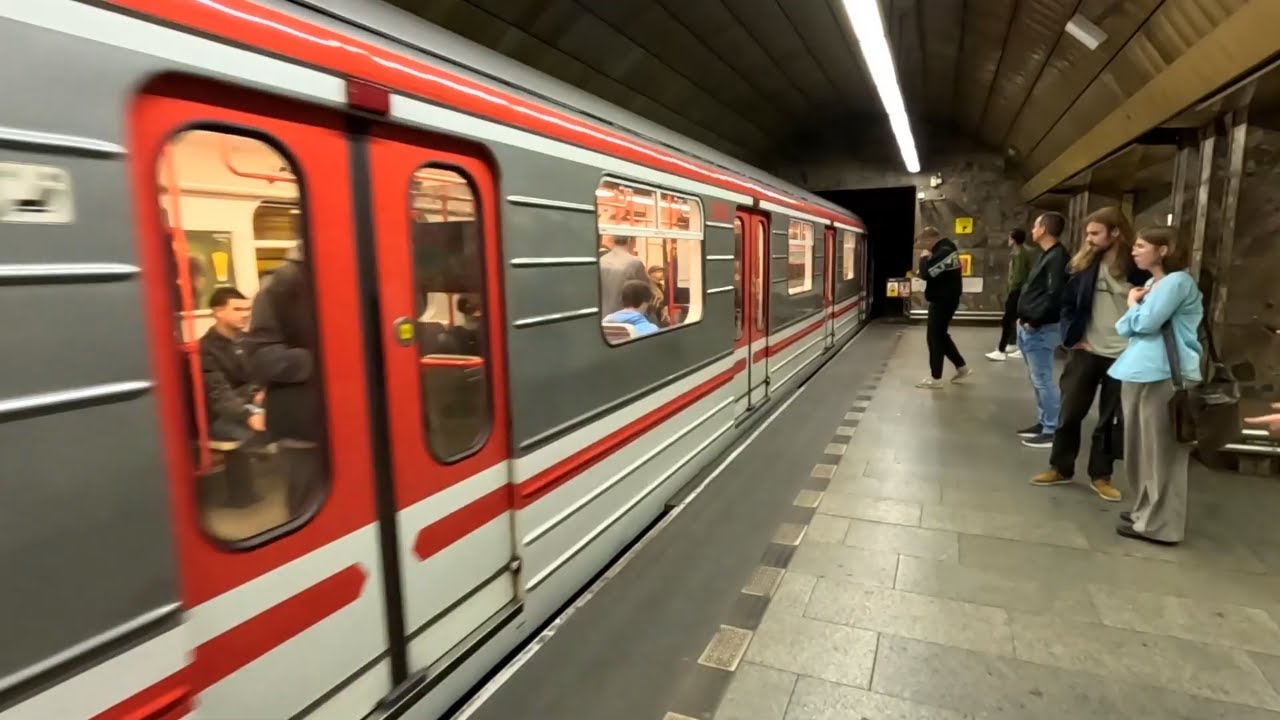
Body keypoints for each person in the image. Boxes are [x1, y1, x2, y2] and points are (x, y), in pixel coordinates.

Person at [1031, 208, 1149, 501]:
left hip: (1124, 354)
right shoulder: (1084, 265)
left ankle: (1101, 475)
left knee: (1109, 419)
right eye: (1088, 233)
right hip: (1087, 350)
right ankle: (1060, 467)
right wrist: (1072, 337)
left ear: (1116, 233)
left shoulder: (1139, 269)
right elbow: (1068, 303)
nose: (1089, 239)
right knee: (1070, 412)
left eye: (1095, 233)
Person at [1107, 226, 1203, 545]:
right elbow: (1126, 327)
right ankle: (1144, 510)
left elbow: (1145, 324)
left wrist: (1134, 306)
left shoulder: (1177, 282)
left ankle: (1162, 524)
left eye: (1141, 246)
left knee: (1162, 452)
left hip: (1165, 374)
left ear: (1163, 250)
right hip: (1141, 369)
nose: (1134, 251)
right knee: (1140, 448)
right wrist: (1135, 309)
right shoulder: (1152, 283)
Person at [243, 244, 325, 516]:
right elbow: (260, 358)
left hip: (358, 418)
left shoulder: (365, 272)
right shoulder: (282, 283)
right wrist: (324, 361)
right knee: (311, 508)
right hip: (303, 420)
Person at [1015, 212, 1070, 448]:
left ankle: (1052, 429)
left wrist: (1035, 320)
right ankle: (1044, 420)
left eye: (1036, 225)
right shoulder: (1046, 255)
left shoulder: (1057, 257)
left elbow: (1054, 295)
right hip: (1031, 324)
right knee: (1037, 378)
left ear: (1044, 229)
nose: (1032, 228)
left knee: (1043, 379)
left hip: (1041, 327)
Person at [200, 287, 265, 443]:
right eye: (237, 309)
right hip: (224, 417)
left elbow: (262, 374)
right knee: (260, 439)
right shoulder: (206, 349)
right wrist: (248, 415)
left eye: (247, 309)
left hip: (253, 404)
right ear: (218, 312)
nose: (245, 314)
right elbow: (219, 396)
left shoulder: (249, 341)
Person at [915, 226, 970, 389]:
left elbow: (926, 273)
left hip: (943, 301)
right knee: (940, 336)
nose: (923, 248)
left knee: (934, 338)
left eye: (923, 244)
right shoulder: (945, 250)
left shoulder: (945, 251)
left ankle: (936, 378)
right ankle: (962, 368)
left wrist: (924, 258)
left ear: (930, 240)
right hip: (944, 299)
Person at [986, 229, 1030, 361]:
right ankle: (1012, 344)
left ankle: (1001, 349)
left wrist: (1013, 288)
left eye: (1010, 238)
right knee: (1014, 319)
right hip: (1018, 290)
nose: (1008, 240)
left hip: (1017, 291)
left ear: (1014, 240)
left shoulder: (1020, 254)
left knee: (1008, 319)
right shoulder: (1020, 253)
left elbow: (1018, 276)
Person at [599, 235, 648, 316]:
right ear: (629, 240)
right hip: (625, 317)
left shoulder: (601, 260)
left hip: (602, 316)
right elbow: (645, 292)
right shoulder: (635, 263)